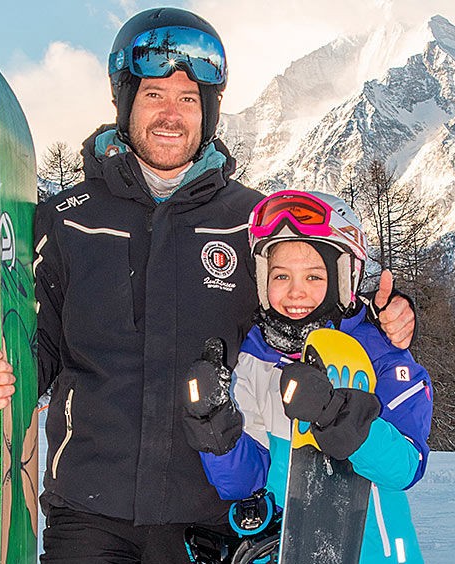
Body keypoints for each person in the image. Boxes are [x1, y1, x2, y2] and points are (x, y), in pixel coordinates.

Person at [0, 7, 417, 563]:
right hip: (89, 506)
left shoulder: (252, 221)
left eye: (188, 100)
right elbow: (40, 339)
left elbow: (312, 307)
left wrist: (388, 311)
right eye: (155, 94)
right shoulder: (69, 220)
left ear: (208, 111)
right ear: (124, 100)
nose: (171, 114)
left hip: (216, 508)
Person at [182, 190, 433, 563]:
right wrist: (218, 433)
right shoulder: (254, 357)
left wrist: (339, 418)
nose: (295, 292)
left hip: (374, 554)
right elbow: (245, 483)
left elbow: (406, 467)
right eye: (281, 275)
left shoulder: (382, 351)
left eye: (314, 276)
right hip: (286, 550)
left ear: (344, 279)